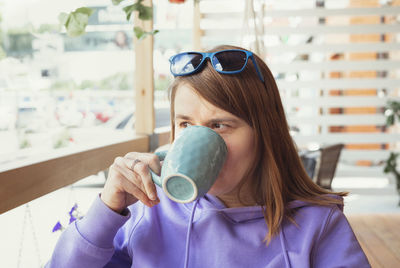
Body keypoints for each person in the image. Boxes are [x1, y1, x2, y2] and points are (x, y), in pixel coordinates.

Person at [46, 45, 370, 268]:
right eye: (185, 124)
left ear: (264, 133)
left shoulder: (317, 224)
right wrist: (106, 210)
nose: (197, 139)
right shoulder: (150, 210)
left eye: (220, 125)